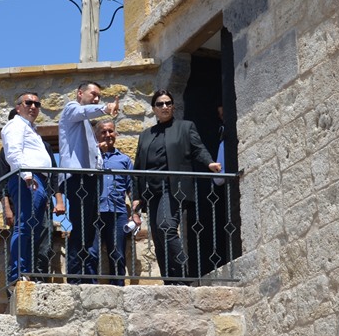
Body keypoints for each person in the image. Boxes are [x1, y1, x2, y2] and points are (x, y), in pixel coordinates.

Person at [132, 90, 222, 283]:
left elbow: (198, 149)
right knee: (157, 237)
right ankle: (170, 280)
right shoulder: (146, 135)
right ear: (154, 109)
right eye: (160, 104)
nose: (164, 107)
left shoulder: (185, 127)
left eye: (168, 103)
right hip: (152, 191)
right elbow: (138, 167)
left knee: (166, 227)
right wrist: (137, 196)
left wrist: (209, 163)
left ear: (173, 106)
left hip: (173, 188)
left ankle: (182, 274)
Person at [57, 82, 119, 281]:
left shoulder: (84, 125)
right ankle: (76, 279)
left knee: (89, 231)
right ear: (80, 93)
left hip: (90, 180)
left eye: (99, 97)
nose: (96, 98)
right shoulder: (71, 109)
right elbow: (83, 111)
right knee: (80, 232)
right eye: (93, 94)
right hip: (79, 180)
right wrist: (105, 108)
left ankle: (89, 279)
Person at [2, 92, 54, 284]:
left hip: (37, 180)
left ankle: (25, 272)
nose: (33, 106)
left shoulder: (31, 129)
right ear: (18, 107)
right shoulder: (15, 125)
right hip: (28, 179)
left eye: (37, 104)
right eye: (28, 102)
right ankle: (17, 273)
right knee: (24, 227)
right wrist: (27, 175)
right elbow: (13, 152)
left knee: (32, 229)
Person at [93, 119, 141, 285]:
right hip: (95, 211)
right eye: (103, 132)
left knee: (118, 253)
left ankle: (118, 289)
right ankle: (90, 287)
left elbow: (132, 189)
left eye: (111, 131)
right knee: (92, 252)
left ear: (115, 133)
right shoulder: (91, 157)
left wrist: (135, 213)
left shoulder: (124, 160)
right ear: (97, 135)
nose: (108, 135)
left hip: (118, 212)